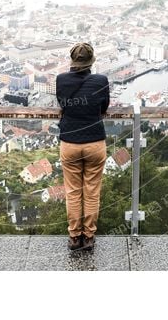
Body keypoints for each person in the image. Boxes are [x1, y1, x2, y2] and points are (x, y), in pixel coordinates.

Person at [55, 42, 110, 251]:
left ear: (72, 61)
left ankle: (74, 236)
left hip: (70, 142)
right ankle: (88, 236)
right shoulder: (101, 81)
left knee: (73, 192)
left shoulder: (61, 80)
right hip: (95, 142)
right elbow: (103, 107)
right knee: (92, 192)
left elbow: (62, 104)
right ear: (91, 62)